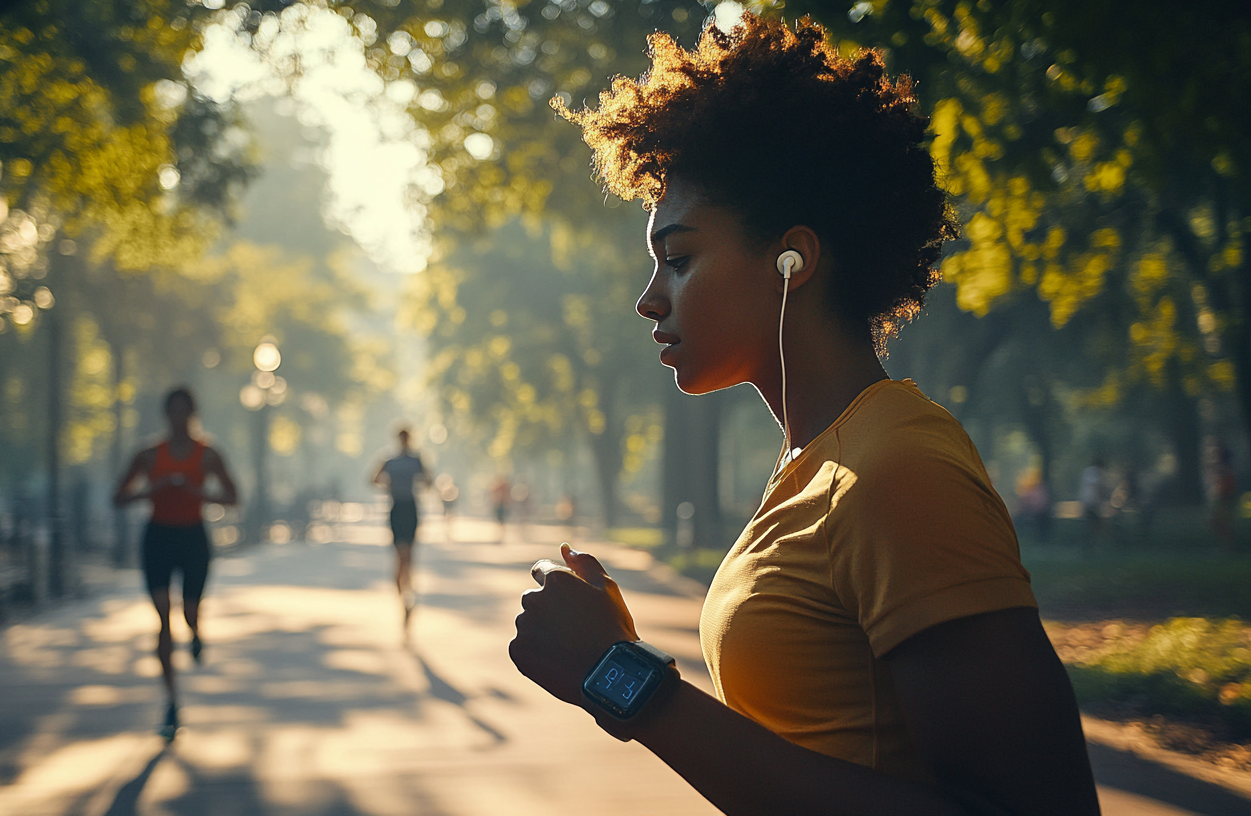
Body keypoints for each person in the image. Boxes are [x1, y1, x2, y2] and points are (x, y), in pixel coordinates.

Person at [509, 15, 1099, 815]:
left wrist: (623, 677)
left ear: (795, 260)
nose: (648, 299)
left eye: (679, 260)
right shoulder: (813, 465)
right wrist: (624, 658)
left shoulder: (896, 471)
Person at [113, 387, 238, 739]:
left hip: (193, 537)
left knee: (189, 611)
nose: (179, 417)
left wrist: (200, 494)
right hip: (158, 538)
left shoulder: (208, 455)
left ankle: (196, 631)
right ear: (166, 414)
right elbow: (119, 496)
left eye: (185, 411)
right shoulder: (149, 455)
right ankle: (171, 699)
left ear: (193, 414)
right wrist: (153, 490)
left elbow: (233, 496)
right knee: (163, 616)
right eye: (174, 411)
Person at [372, 428, 429, 631]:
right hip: (397, 508)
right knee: (400, 556)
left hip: (410, 508)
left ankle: (408, 594)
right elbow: (373, 479)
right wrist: (388, 483)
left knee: (409, 556)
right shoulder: (389, 460)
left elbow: (428, 480)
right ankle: (402, 599)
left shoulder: (416, 460)